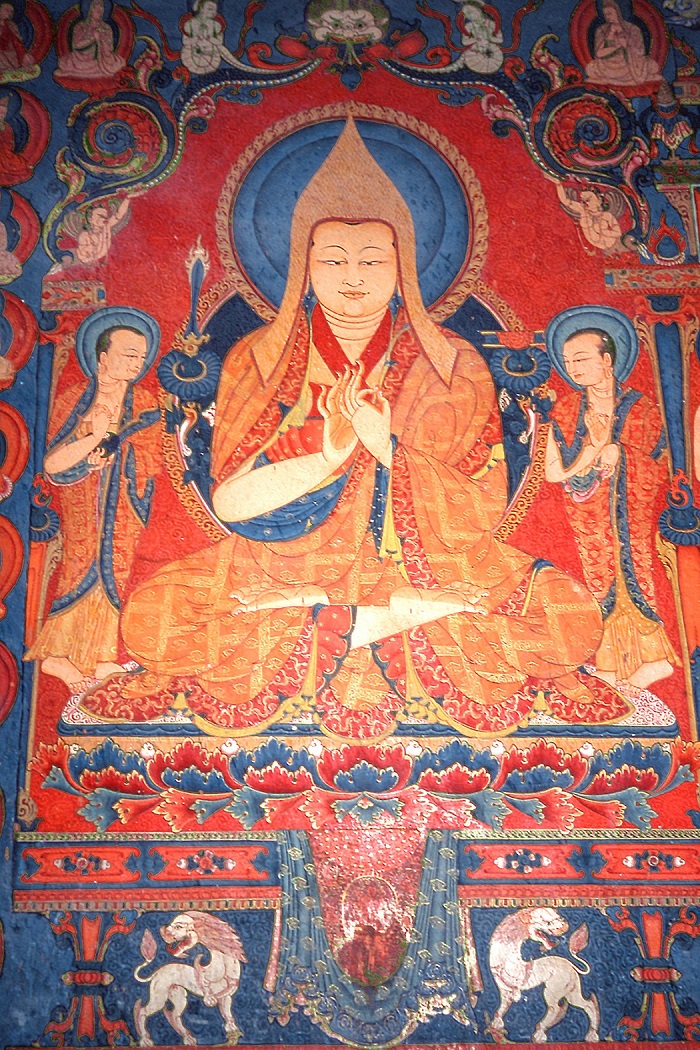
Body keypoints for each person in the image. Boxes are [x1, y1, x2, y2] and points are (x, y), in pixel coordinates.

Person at [113, 119, 625, 734]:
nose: (352, 277)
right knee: (151, 617)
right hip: (280, 563)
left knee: (572, 618)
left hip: (432, 565)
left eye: (372, 260)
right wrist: (327, 458)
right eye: (332, 260)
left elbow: (485, 507)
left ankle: (334, 618)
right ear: (302, 267)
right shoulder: (257, 359)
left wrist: (389, 451)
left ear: (403, 267)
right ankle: (388, 619)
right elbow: (228, 501)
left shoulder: (454, 364)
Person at [26, 314, 161, 691]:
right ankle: (57, 656)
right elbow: (52, 464)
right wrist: (91, 441)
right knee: (80, 565)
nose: (136, 364)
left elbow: (152, 457)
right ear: (102, 358)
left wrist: (122, 451)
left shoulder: (144, 403)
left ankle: (102, 658)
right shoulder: (74, 401)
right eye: (129, 355)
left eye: (141, 358)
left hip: (124, 505)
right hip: (83, 499)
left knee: (116, 571)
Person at [545, 326, 677, 689]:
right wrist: (595, 448)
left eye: (581, 359)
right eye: (568, 361)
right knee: (597, 584)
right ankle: (608, 663)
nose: (573, 368)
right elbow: (554, 473)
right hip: (587, 516)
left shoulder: (642, 409)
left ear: (607, 361)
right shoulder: (566, 410)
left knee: (634, 576)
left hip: (632, 516)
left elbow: (661, 468)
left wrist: (621, 454)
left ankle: (655, 659)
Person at [585, 0, 661, 87]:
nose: (608, 17)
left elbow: (640, 52)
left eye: (610, 13)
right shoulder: (601, 30)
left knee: (652, 66)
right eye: (605, 14)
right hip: (608, 66)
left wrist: (627, 46)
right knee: (590, 68)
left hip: (631, 65)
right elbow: (599, 54)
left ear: (618, 12)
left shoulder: (633, 29)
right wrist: (612, 38)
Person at [56, 0, 125, 80]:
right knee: (65, 63)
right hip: (82, 59)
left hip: (103, 59)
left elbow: (109, 49)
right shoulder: (80, 26)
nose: (100, 10)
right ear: (89, 9)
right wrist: (92, 38)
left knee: (118, 63)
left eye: (102, 8)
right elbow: (76, 45)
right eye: (96, 7)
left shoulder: (106, 28)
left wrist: (101, 41)